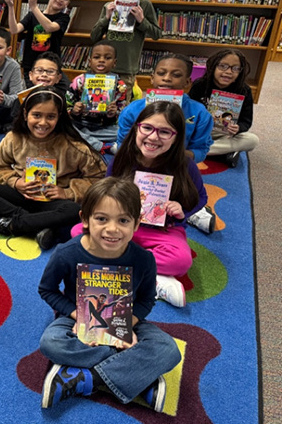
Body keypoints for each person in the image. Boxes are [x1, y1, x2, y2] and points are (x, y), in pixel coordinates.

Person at [38, 177, 181, 411]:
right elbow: (47, 290)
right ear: (85, 219)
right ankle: (139, 375)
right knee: (51, 342)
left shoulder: (144, 259)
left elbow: (146, 299)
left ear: (136, 224)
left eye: (123, 220)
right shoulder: (66, 253)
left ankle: (84, 379)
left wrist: (125, 329)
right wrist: (78, 317)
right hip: (77, 319)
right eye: (101, 219)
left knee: (169, 350)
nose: (112, 229)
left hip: (128, 320)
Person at [0, 87, 106, 251]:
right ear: (25, 115)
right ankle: (36, 225)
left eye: (51, 117)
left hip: (53, 203)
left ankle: (9, 224)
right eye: (36, 115)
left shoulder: (73, 145)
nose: (43, 123)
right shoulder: (14, 138)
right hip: (20, 196)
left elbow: (99, 178)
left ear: (59, 117)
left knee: (74, 211)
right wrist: (16, 182)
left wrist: (67, 192)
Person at [103, 101, 208, 307]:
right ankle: (151, 274)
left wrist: (182, 211)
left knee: (181, 260)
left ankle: (118, 262)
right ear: (137, 129)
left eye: (164, 132)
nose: (153, 137)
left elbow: (200, 197)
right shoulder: (123, 158)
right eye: (147, 128)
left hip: (164, 231)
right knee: (79, 233)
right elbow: (106, 191)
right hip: (123, 226)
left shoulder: (185, 165)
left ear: (176, 137)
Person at [117, 54, 214, 234]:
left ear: (187, 82)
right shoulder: (133, 109)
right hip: (139, 164)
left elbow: (201, 149)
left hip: (177, 167)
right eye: (161, 73)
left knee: (184, 197)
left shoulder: (199, 113)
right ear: (152, 78)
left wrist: (179, 155)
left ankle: (193, 214)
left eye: (176, 75)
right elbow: (123, 145)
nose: (167, 78)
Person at [90, 0, 161, 97]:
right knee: (99, 100)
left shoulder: (145, 6)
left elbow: (157, 34)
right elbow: (94, 37)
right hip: (104, 67)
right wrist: (106, 18)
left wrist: (141, 21)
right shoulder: (108, 6)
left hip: (127, 68)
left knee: (122, 103)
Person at [188, 49, 258, 168]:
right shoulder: (200, 85)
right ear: (213, 67)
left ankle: (196, 151)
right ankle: (222, 154)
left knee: (252, 140)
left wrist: (238, 128)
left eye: (235, 68)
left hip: (225, 134)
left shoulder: (244, 90)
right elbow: (189, 113)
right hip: (201, 131)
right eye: (223, 66)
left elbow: (246, 121)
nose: (229, 72)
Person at [5, 0, 74, 89]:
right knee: (36, 95)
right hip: (32, 66)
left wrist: (34, 7)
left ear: (67, 3)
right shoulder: (32, 15)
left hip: (52, 67)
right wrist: (10, 6)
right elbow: (14, 29)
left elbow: (49, 27)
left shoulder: (63, 18)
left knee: (66, 91)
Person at [66, 40, 129, 153]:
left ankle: (86, 140)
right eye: (96, 57)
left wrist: (113, 113)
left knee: (128, 133)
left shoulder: (120, 86)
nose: (101, 60)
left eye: (107, 58)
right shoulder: (79, 81)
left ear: (114, 62)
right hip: (80, 123)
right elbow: (67, 105)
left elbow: (121, 111)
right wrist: (74, 110)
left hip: (105, 127)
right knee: (64, 126)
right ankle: (103, 146)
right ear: (90, 61)